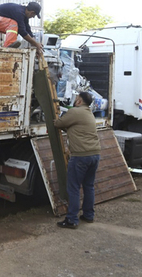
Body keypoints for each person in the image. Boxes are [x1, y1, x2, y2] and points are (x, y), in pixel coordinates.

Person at [54, 91, 101, 229]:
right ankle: (88, 215)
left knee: (74, 187)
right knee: (89, 186)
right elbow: (71, 127)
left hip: (81, 155)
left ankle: (72, 219)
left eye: (77, 98)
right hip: (95, 154)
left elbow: (58, 123)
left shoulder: (75, 112)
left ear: (79, 101)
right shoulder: (89, 113)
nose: (75, 100)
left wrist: (57, 121)